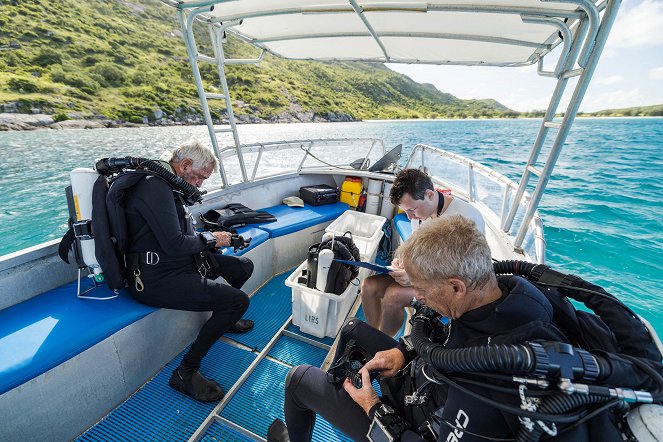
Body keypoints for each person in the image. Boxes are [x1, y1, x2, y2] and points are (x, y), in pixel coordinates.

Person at [267, 215, 624, 442]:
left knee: (298, 379)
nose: (416, 298)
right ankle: (336, 397)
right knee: (353, 331)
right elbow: (434, 335)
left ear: (455, 286)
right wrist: (404, 349)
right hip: (422, 377)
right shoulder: (514, 290)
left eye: (421, 290)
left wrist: (372, 406)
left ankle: (324, 411)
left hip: (410, 418)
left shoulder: (486, 377)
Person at [124, 139, 255, 402]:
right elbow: (173, 243)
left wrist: (212, 237)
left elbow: (180, 235)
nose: (200, 184)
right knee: (237, 301)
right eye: (200, 178)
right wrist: (213, 240)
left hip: (179, 263)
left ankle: (225, 317)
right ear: (184, 166)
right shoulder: (154, 187)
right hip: (155, 279)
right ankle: (186, 372)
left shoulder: (169, 187)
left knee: (243, 267)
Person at [361, 168, 485, 337]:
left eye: (412, 210)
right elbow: (416, 249)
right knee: (368, 286)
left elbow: (463, 273)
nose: (410, 217)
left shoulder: (465, 219)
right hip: (426, 274)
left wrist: (412, 276)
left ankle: (381, 346)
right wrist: (402, 261)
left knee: (393, 295)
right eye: (406, 211)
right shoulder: (423, 215)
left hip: (454, 286)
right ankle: (375, 336)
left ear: (430, 195)